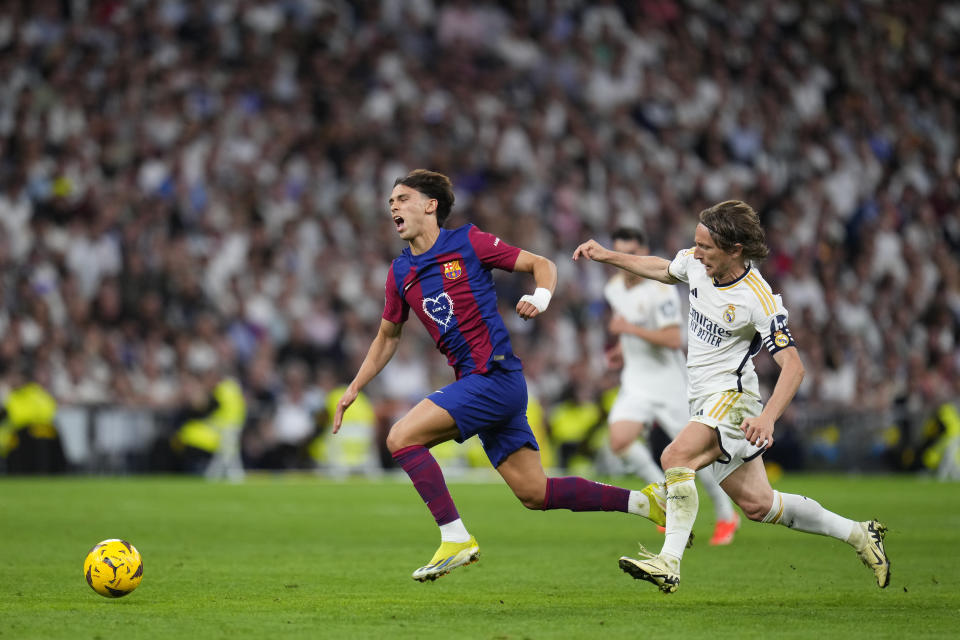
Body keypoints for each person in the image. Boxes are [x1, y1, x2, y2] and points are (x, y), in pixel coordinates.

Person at [334, 169, 666, 582]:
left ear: (430, 205)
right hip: (481, 386)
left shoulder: (468, 242)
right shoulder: (400, 272)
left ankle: (455, 538)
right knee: (535, 493)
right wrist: (354, 388)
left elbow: (541, 264)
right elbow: (387, 336)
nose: (393, 207)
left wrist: (539, 297)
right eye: (390, 203)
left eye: (402, 199)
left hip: (494, 377)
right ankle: (646, 502)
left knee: (401, 437)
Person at [573, 200, 890, 593]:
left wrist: (769, 418)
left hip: (733, 398)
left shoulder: (759, 298)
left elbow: (794, 367)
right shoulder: (696, 264)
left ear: (734, 250)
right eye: (696, 244)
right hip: (702, 399)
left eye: (706, 247)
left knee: (675, 457)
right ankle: (860, 534)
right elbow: (663, 268)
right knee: (760, 505)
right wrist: (607, 256)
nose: (696, 253)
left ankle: (669, 562)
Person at [602, 227, 739, 546]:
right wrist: (621, 349)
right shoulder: (614, 288)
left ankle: (725, 513)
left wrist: (628, 330)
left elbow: (672, 339)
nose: (627, 261)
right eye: (622, 253)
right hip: (635, 381)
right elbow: (631, 327)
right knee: (619, 440)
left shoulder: (661, 291)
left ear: (642, 252)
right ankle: (664, 500)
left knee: (692, 454)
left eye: (633, 253)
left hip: (669, 384)